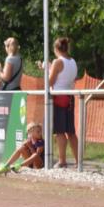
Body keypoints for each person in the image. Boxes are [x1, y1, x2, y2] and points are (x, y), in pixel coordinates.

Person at [39, 36, 79, 168]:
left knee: (60, 131)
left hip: (58, 97)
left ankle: (62, 160)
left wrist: (47, 71)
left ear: (56, 49)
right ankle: (79, 160)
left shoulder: (57, 62)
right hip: (70, 96)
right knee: (71, 131)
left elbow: (50, 82)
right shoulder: (72, 61)